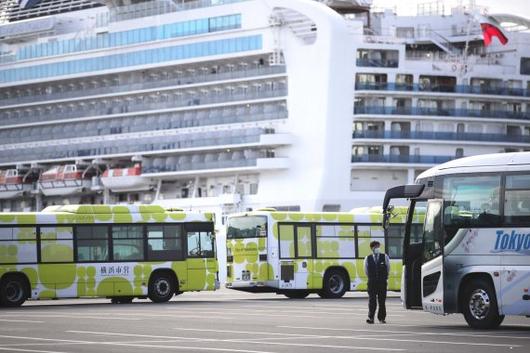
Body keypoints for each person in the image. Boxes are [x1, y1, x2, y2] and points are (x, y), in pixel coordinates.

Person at [364, 240, 390, 324]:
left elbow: (388, 268)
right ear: (372, 248)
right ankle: (371, 317)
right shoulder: (368, 258)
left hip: (382, 282)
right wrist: (372, 277)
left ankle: (381, 318)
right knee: (372, 301)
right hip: (372, 283)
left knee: (382, 301)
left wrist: (384, 277)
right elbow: (366, 270)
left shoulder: (384, 256)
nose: (377, 248)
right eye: (375, 247)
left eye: (378, 247)